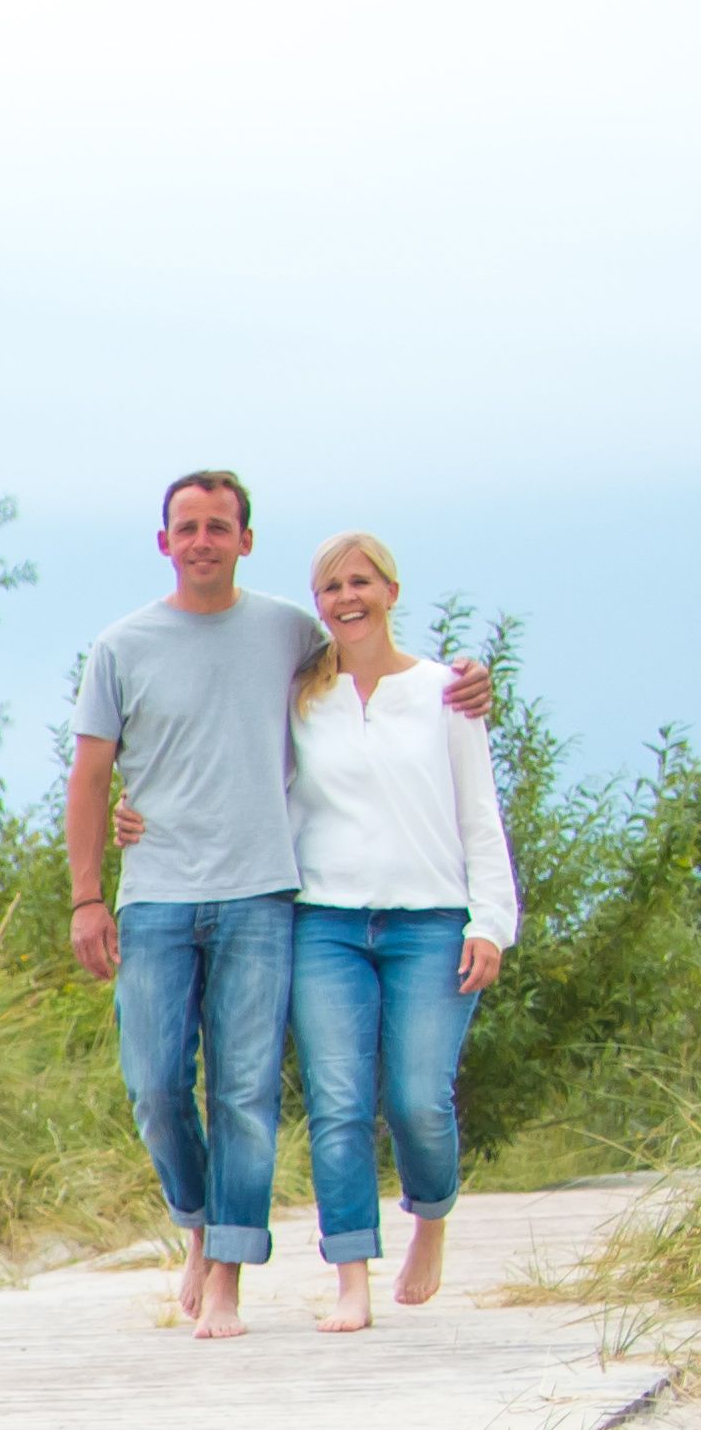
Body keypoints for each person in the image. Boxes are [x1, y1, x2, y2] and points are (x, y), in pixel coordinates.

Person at [63, 468, 489, 1337]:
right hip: (158, 897)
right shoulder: (121, 646)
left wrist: (468, 682)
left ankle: (228, 1275)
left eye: (220, 526)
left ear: (245, 541)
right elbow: (93, 772)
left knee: (248, 1095)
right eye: (188, 527)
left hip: (265, 897)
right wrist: (88, 892)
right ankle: (197, 1226)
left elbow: (386, 679)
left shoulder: (288, 636)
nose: (203, 541)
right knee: (154, 1087)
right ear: (164, 541)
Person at [282, 529, 517, 1331]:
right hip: (327, 924)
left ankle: (432, 1218)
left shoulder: (445, 691)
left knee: (418, 1098)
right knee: (338, 1100)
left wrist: (490, 921)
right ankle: (351, 1278)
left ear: (390, 590)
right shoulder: (302, 697)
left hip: (431, 921)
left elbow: (478, 813)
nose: (346, 599)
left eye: (360, 582)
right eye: (330, 588)